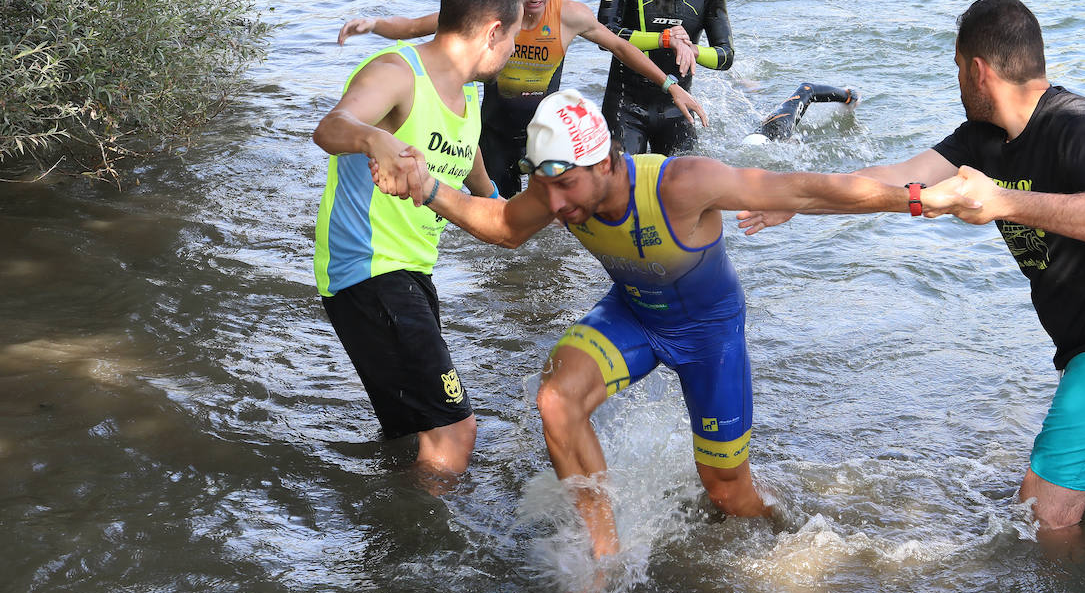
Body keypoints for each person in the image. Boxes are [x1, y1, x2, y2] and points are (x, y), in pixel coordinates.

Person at [372, 89, 958, 561]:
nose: (554, 206)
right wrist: (427, 188)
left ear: (604, 160)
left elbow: (808, 186)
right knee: (556, 400)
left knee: (726, 493)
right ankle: (605, 555)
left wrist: (915, 199)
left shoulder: (681, 183)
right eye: (545, 186)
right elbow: (501, 223)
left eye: (566, 185)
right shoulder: (557, 190)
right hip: (633, 313)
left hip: (709, 334)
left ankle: (787, 528)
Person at [740, 0, 1085, 531]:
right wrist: (796, 201)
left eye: (958, 69)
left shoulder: (1078, 124)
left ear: (978, 71)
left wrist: (1004, 200)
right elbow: (892, 177)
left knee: (1040, 518)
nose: (958, 82)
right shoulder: (982, 141)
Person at [311, 0, 523, 482]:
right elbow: (332, 126)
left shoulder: (467, 99)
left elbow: (478, 182)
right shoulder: (397, 71)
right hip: (370, 271)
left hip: (408, 277)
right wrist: (374, 140)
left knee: (413, 434)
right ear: (493, 31)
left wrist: (535, 203)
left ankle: (391, 540)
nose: (514, 51)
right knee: (456, 429)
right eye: (514, 38)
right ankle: (431, 550)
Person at [338, 0, 706, 198]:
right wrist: (373, 25)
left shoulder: (569, 15)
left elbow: (622, 49)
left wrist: (669, 85)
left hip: (544, 135)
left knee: (561, 217)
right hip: (495, 131)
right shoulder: (486, 14)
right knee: (494, 211)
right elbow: (417, 26)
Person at [597, 0, 733, 155]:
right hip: (625, 105)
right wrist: (663, 40)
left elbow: (725, 56)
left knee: (684, 187)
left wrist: (693, 50)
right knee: (622, 184)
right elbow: (605, 35)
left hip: (677, 107)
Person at [742, 82, 860, 144]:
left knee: (757, 101)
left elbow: (808, 89)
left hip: (774, 122)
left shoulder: (781, 125)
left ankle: (751, 88)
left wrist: (849, 97)